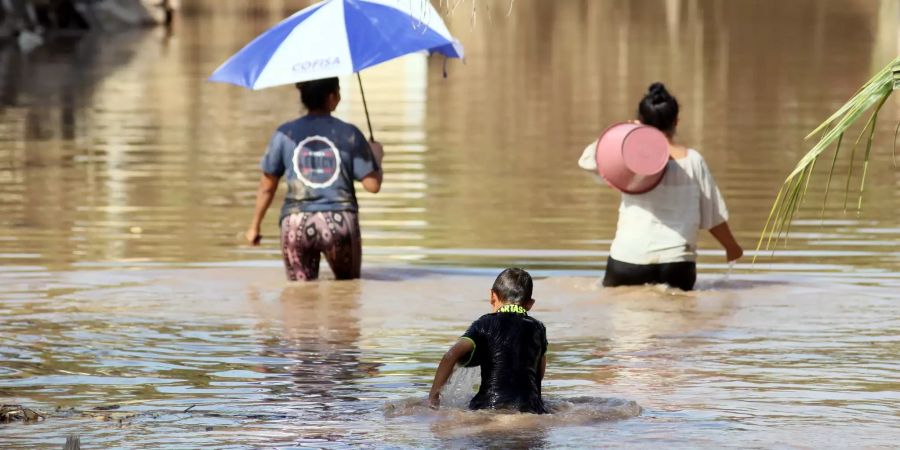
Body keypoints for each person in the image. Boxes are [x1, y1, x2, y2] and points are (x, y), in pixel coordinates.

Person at [578, 82, 743, 291]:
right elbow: (714, 217)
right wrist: (732, 248)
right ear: (677, 121)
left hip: (628, 261)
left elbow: (587, 160)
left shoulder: (629, 158)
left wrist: (623, 135)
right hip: (677, 265)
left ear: (641, 122)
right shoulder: (693, 161)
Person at [245, 77, 384, 281]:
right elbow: (372, 185)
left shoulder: (284, 134)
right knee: (347, 296)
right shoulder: (350, 133)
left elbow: (267, 186)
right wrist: (377, 157)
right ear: (331, 97)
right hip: (340, 223)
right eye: (339, 91)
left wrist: (254, 226)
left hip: (295, 222)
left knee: (299, 301)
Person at [429, 268, 548, 414]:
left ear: (493, 296)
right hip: (531, 407)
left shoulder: (484, 323)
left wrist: (433, 398)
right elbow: (539, 368)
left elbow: (450, 355)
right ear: (530, 304)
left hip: (488, 405)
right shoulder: (538, 328)